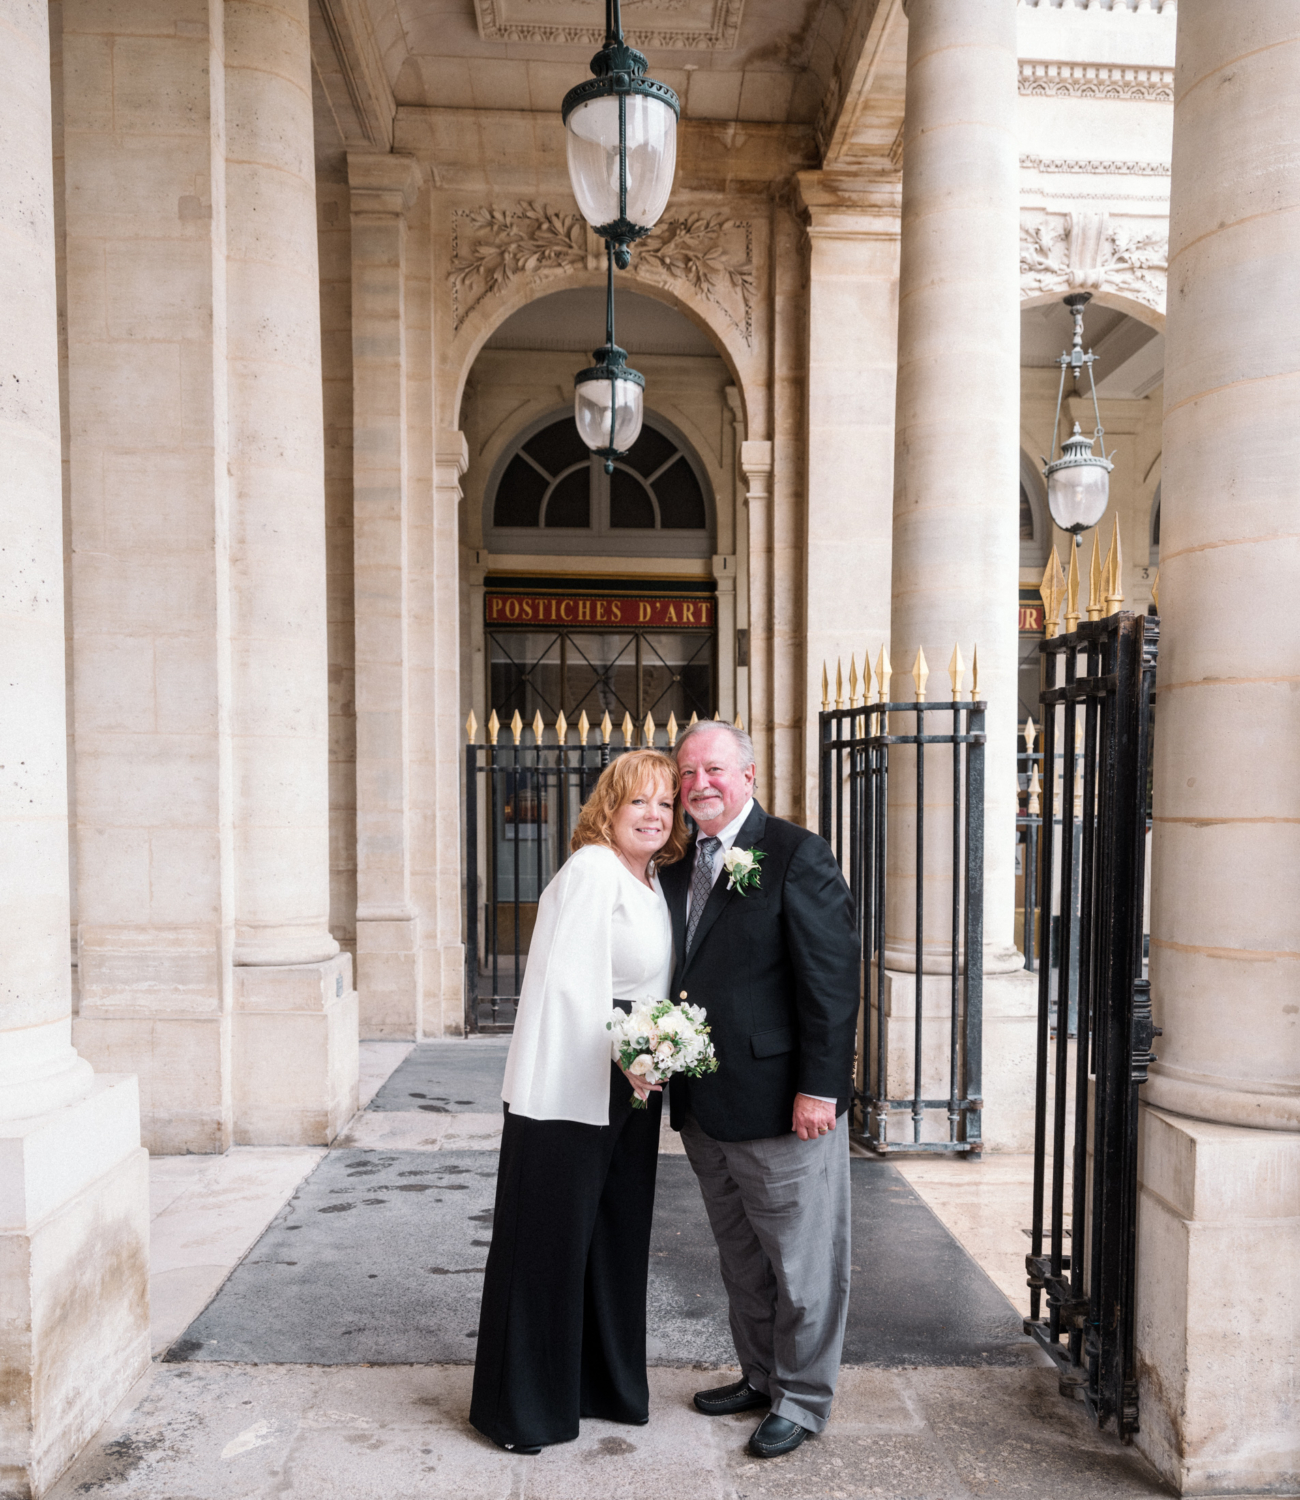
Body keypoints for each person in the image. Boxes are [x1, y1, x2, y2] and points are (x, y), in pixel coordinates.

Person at [469, 748, 687, 1454]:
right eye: (639, 802)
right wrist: (628, 1055)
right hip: (567, 1088)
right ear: (609, 810)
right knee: (548, 1245)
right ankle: (522, 1411)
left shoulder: (649, 878)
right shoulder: (593, 870)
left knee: (612, 1241)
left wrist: (656, 1052)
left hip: (630, 1083)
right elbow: (566, 985)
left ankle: (601, 1385)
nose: (654, 815)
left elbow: (650, 983)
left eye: (665, 803)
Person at [660, 721, 860, 1459]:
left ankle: (804, 1401)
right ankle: (760, 1376)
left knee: (803, 1265)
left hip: (784, 1106)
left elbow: (832, 983)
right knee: (741, 1258)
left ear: (748, 774)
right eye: (687, 774)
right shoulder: (680, 863)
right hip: (707, 1107)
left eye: (713, 769)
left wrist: (821, 1089)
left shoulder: (795, 854)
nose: (699, 784)